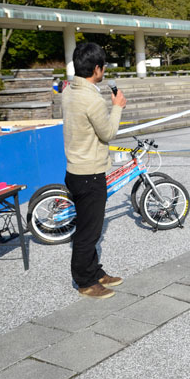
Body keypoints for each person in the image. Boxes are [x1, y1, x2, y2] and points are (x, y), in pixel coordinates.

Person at [62, 42, 127, 299]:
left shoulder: (69, 91)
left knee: (88, 225)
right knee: (89, 232)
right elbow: (108, 133)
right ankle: (85, 281)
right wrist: (118, 106)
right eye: (103, 67)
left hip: (75, 170)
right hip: (90, 173)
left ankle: (94, 270)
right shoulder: (92, 99)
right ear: (97, 69)